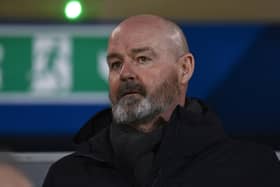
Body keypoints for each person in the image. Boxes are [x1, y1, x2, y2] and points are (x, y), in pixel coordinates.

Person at [43, 15, 280, 187]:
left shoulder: (250, 167)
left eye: (142, 58)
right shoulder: (68, 176)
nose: (125, 73)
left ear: (184, 69)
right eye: (115, 64)